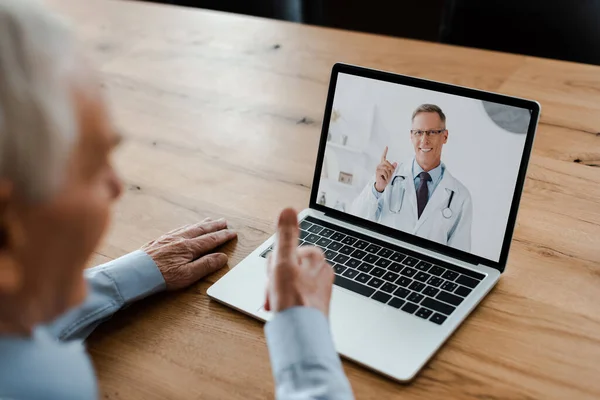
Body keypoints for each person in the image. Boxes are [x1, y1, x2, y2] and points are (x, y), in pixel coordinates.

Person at [0, 2, 353, 399]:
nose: (117, 187)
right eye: (92, 167)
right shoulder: (44, 383)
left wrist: (134, 274)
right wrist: (304, 340)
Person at [351, 104, 473, 251]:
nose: (424, 139)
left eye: (432, 132)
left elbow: (460, 255)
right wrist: (377, 189)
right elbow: (354, 221)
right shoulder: (387, 177)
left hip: (427, 270)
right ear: (411, 136)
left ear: (444, 136)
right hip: (384, 261)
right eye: (418, 132)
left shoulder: (460, 196)